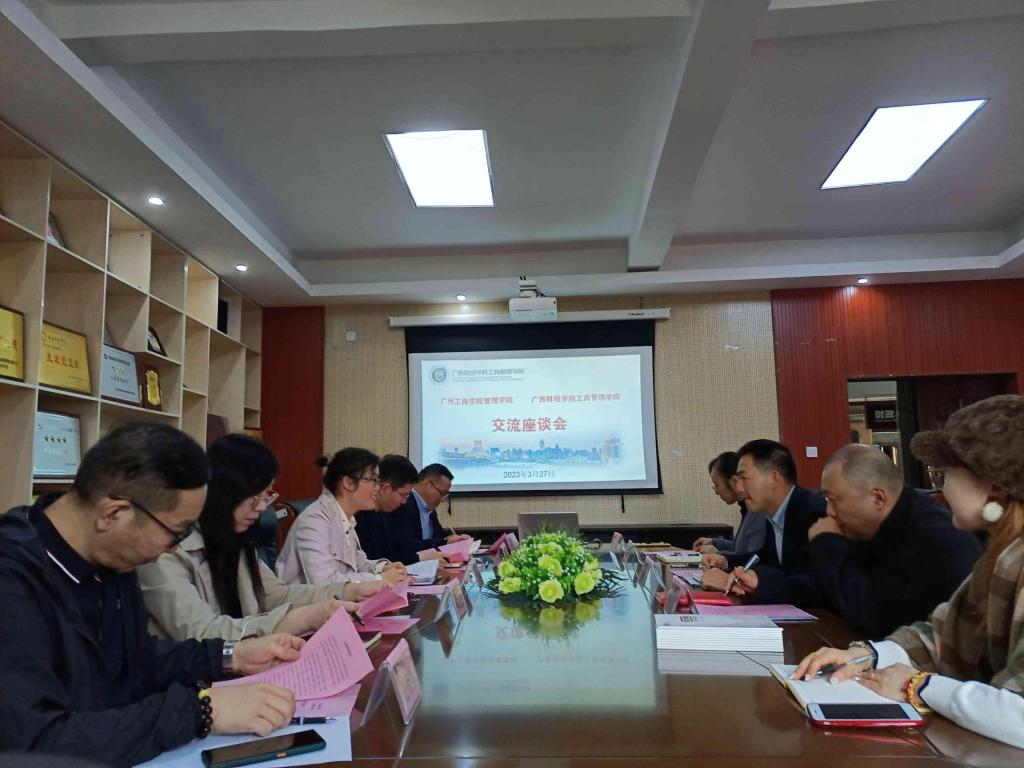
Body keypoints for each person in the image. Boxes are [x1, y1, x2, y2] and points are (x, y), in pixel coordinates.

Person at [0, 422, 304, 767]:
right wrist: (203, 711)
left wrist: (230, 655)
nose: (173, 548)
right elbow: (36, 744)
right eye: (177, 533)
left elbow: (137, 659)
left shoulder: (111, 555)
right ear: (114, 513)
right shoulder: (12, 583)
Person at [795, 395, 1024, 750]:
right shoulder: (1002, 555)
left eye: (946, 473)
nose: (941, 487)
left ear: (993, 484)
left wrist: (916, 685)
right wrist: (866, 656)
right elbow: (942, 635)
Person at [138, 434, 374, 641]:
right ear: (225, 491)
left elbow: (276, 595)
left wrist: (348, 591)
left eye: (267, 495)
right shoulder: (166, 550)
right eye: (255, 496)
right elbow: (201, 632)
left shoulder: (237, 538)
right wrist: (300, 619)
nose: (262, 507)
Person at [733, 442, 981, 636]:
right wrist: (762, 584)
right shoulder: (872, 525)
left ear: (877, 498)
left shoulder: (931, 537)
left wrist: (827, 542)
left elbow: (871, 614)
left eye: (833, 500)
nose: (828, 511)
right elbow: (825, 589)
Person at [701, 439, 826, 600]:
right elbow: (764, 558)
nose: (738, 488)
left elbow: (822, 584)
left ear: (773, 477)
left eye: (743, 478)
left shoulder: (814, 512)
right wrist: (726, 561)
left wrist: (752, 584)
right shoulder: (775, 512)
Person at [277, 448, 407, 587]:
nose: (377, 488)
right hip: (307, 600)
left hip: (339, 600)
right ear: (348, 482)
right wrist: (378, 579)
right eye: (373, 480)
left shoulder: (345, 518)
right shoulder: (314, 521)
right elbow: (324, 583)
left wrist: (383, 568)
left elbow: (358, 563)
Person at [388, 463, 471, 565]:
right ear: (427, 484)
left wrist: (454, 539)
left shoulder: (430, 509)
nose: (442, 499)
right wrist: (445, 541)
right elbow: (408, 545)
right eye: (442, 493)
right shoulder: (403, 503)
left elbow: (439, 537)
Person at [692, 451, 766, 556]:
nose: (716, 491)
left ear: (734, 481)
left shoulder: (758, 509)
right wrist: (715, 542)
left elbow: (752, 557)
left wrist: (719, 554)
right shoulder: (747, 507)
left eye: (717, 485)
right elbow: (741, 548)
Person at [356, 454, 419, 562]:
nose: (404, 501)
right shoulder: (358, 518)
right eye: (404, 495)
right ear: (385, 488)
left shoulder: (387, 513)